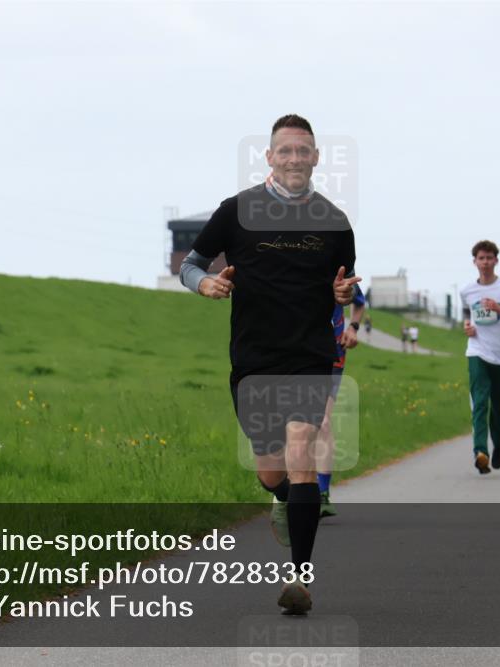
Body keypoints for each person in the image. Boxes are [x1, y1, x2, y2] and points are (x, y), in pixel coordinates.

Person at [179, 114, 357, 615]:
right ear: (270, 157)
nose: (295, 159)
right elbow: (191, 264)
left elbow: (342, 285)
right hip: (254, 357)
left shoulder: (335, 221)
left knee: (302, 446)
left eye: (304, 151)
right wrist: (206, 284)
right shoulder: (237, 211)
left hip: (309, 355)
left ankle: (300, 579)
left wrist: (342, 293)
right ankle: (281, 499)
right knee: (269, 470)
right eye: (286, 151)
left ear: (317, 158)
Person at [461, 240, 500, 475]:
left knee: (497, 405)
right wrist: (467, 326)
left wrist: (499, 309)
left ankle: (498, 442)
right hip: (477, 351)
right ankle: (480, 452)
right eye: (481, 258)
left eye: (489, 258)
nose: (485, 262)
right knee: (479, 402)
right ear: (475, 262)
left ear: (496, 260)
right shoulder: (467, 290)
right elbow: (467, 315)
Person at [317, 283, 365, 519]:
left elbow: (359, 302)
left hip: (332, 353)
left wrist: (353, 328)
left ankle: (322, 493)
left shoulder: (338, 268)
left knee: (323, 422)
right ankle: (292, 490)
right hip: (294, 351)